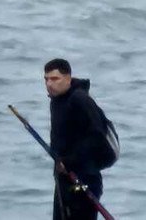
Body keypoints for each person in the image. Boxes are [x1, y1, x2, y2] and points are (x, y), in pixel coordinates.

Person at [46, 58, 112, 220]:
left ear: (68, 78)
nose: (49, 84)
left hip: (85, 178)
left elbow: (97, 137)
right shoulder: (57, 102)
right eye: (46, 79)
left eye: (55, 79)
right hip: (64, 179)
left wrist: (69, 161)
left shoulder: (80, 99)